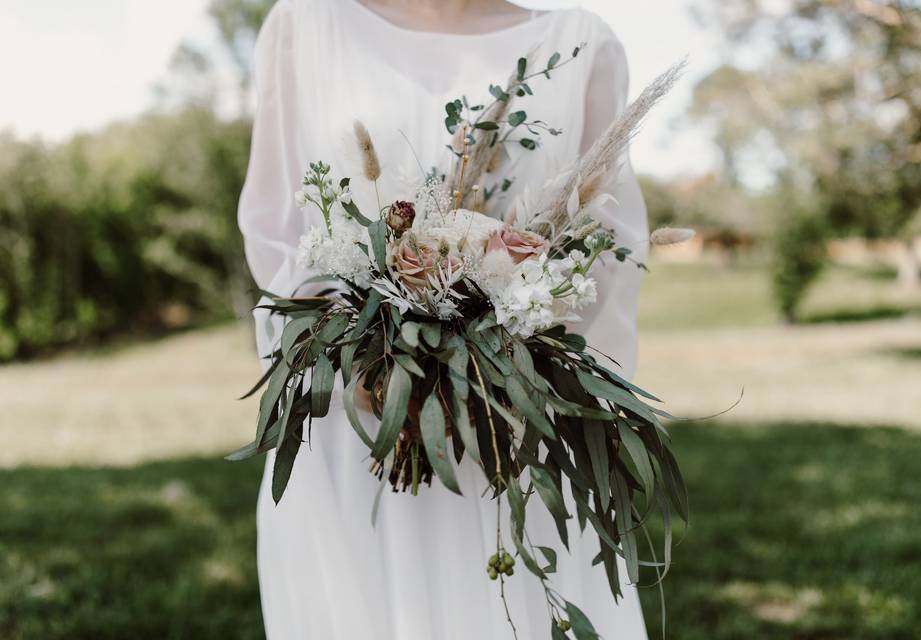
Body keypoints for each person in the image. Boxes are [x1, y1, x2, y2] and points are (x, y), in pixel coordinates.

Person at [238, 1, 650, 637]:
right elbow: (275, 234)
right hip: (354, 428)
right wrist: (357, 359)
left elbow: (607, 250)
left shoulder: (582, 45)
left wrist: (508, 368)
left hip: (511, 433)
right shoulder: (301, 25)